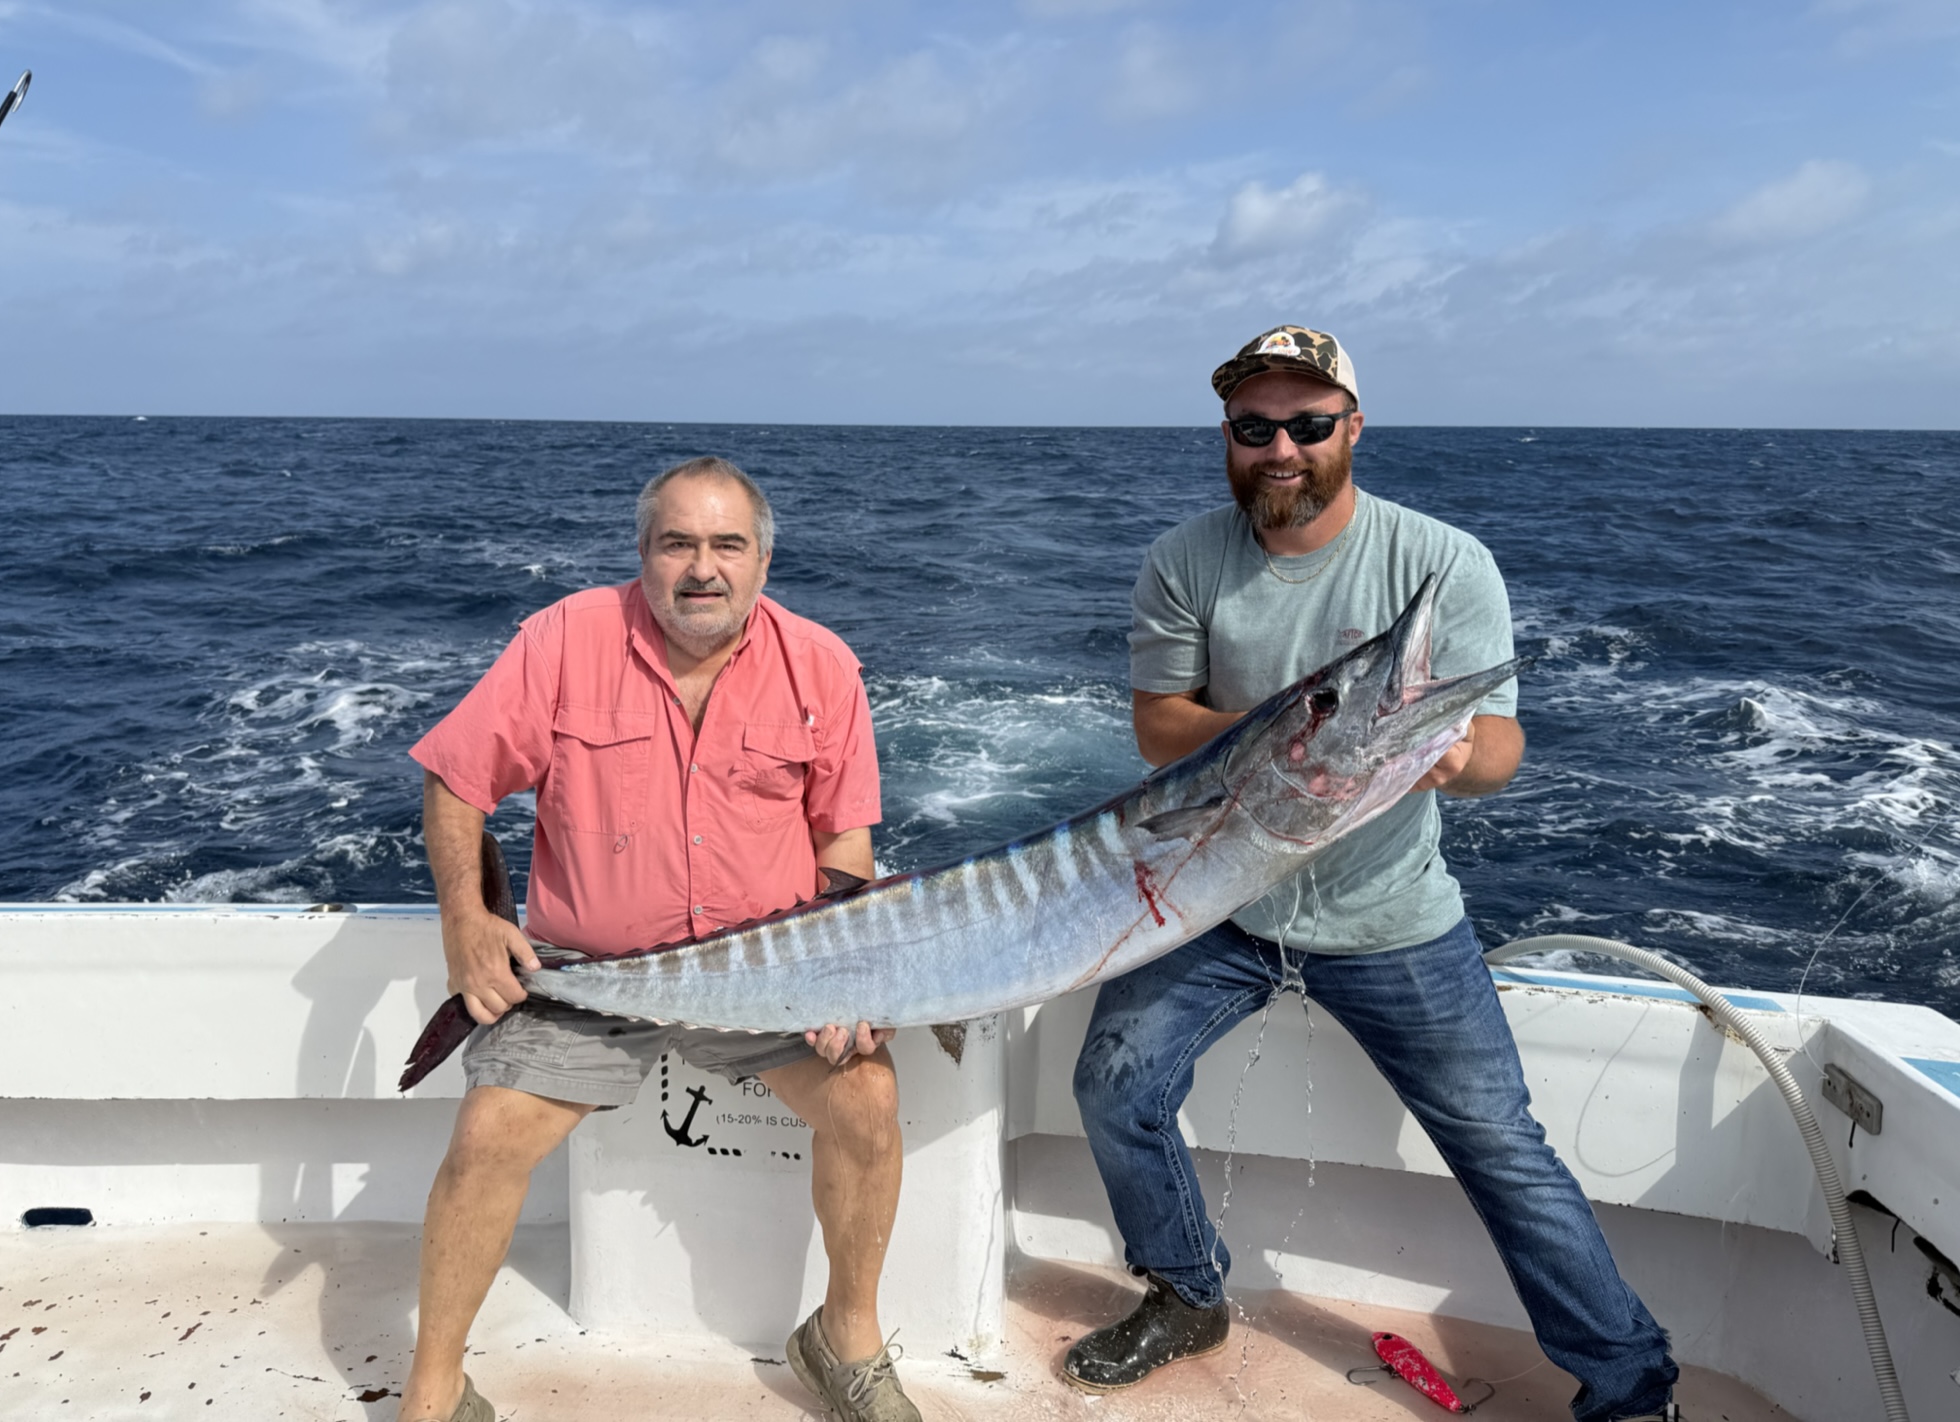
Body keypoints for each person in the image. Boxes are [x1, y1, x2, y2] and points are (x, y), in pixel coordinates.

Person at [1062, 326, 1680, 1422]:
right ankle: (1183, 1288)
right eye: (1256, 428)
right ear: (1227, 438)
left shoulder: (1442, 563)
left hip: (1390, 914)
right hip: (1220, 902)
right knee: (1113, 1080)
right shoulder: (1182, 559)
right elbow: (1161, 727)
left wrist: (1440, 753)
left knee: (1498, 1142)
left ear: (1352, 428)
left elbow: (1494, 749)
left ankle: (1629, 1385)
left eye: (1308, 424)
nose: (1281, 448)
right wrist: (1305, 740)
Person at [396, 456, 920, 1422]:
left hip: (768, 974)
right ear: (643, 554)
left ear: (763, 559)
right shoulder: (562, 639)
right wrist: (466, 923)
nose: (702, 568)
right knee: (487, 1133)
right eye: (678, 543)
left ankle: (843, 1338)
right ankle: (433, 1386)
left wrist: (848, 981)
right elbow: (457, 779)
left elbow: (843, 845)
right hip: (595, 977)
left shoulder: (823, 664)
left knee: (869, 1101)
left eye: (728, 544)